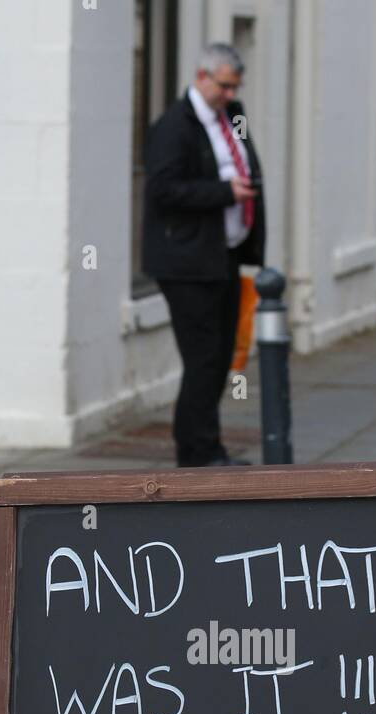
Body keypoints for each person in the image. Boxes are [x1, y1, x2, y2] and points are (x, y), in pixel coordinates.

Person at [143, 43, 266, 468]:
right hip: (186, 263)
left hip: (225, 256)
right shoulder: (173, 126)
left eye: (235, 86)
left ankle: (208, 448)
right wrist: (224, 193)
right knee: (203, 358)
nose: (230, 94)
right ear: (201, 76)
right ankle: (196, 453)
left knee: (222, 355)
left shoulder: (235, 116)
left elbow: (250, 163)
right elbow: (163, 189)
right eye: (224, 85)